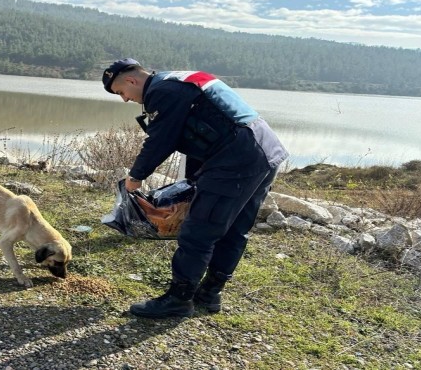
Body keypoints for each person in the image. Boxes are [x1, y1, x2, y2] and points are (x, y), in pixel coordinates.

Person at [102, 58, 288, 318]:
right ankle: (210, 293)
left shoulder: (161, 92)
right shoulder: (176, 80)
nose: (124, 99)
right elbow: (203, 127)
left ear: (131, 80)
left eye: (121, 92)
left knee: (198, 231)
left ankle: (178, 300)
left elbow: (161, 139)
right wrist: (195, 181)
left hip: (235, 159)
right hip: (264, 151)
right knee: (235, 228)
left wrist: (135, 177)